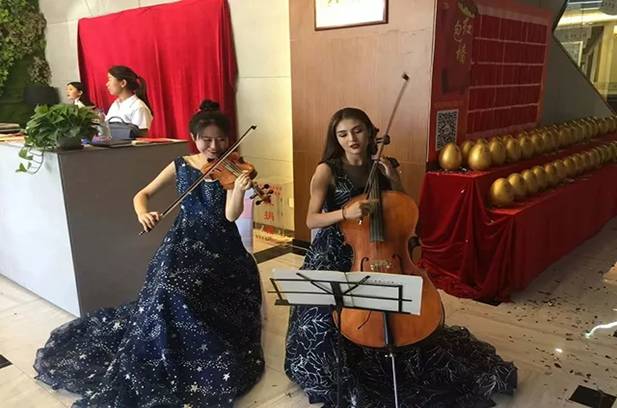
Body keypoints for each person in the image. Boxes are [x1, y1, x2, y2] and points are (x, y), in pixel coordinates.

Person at [34, 100, 264, 407]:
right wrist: (143, 213)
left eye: (221, 139)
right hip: (183, 241)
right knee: (165, 288)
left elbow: (231, 216)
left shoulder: (233, 169)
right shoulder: (180, 165)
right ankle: (165, 346)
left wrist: (239, 190)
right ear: (193, 138)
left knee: (183, 292)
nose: (214, 147)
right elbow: (141, 195)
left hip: (220, 247)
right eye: (206, 140)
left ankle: (190, 349)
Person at [284, 107, 517, 407]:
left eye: (357, 131)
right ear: (335, 139)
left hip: (383, 250)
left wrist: (393, 179)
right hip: (336, 252)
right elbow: (311, 219)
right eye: (342, 134)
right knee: (319, 315)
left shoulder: (382, 166)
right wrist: (345, 212)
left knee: (403, 314)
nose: (351, 139)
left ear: (369, 132)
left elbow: (404, 208)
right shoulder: (327, 171)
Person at [105, 65, 153, 136]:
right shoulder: (115, 104)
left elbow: (141, 137)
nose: (107, 84)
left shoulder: (139, 107)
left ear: (123, 83)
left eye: (110, 79)